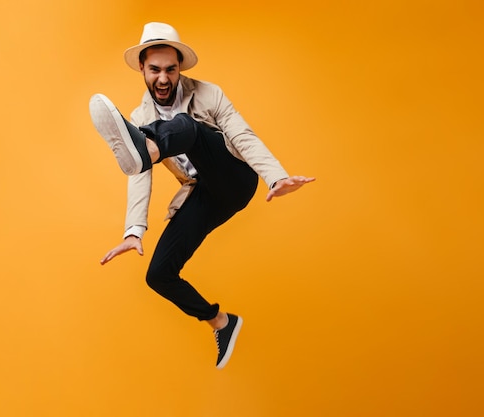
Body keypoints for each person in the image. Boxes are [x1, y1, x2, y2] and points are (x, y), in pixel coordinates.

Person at [89, 22, 315, 369]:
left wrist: (276, 179)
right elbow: (139, 178)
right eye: (154, 70)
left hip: (235, 179)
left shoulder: (209, 94)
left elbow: (243, 136)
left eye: (170, 69)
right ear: (142, 69)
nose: (163, 79)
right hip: (204, 192)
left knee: (187, 127)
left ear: (179, 69)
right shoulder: (141, 116)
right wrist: (134, 230)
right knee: (158, 274)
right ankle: (222, 323)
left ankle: (147, 147)